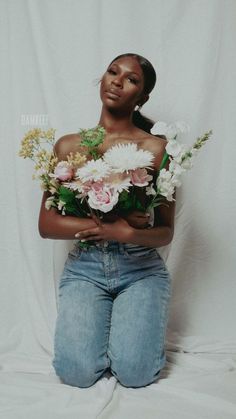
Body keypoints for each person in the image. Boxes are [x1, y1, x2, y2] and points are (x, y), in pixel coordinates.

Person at [38, 53, 175, 388]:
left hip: (141, 271)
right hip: (85, 268)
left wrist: (128, 233)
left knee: (135, 375)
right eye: (113, 72)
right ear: (102, 79)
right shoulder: (69, 146)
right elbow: (47, 224)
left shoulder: (157, 149)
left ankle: (128, 342)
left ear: (142, 97)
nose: (117, 80)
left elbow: (166, 232)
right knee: (76, 374)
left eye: (131, 79)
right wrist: (109, 227)